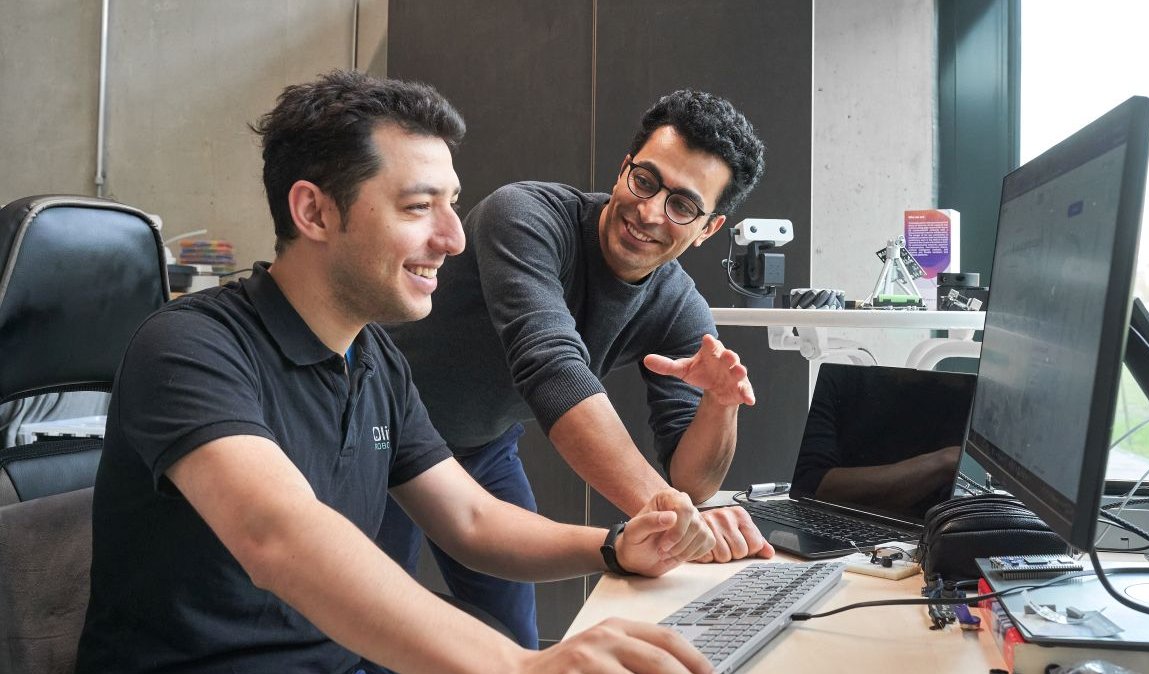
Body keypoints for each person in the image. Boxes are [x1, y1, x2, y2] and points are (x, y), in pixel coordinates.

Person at [75, 70, 718, 674]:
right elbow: (280, 537)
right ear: (315, 213)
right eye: (418, 207)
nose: (454, 238)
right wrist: (517, 665)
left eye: (452, 204)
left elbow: (470, 521)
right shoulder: (190, 347)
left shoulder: (377, 361)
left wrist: (612, 545)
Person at [386, 89, 775, 647]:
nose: (648, 212)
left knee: (515, 637)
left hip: (480, 446)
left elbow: (690, 480)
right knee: (368, 631)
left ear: (708, 228)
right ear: (624, 169)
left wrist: (720, 408)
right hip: (378, 431)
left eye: (682, 206)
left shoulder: (679, 306)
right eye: (645, 181)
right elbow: (550, 368)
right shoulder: (524, 215)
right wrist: (679, 519)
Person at [793, 363, 975, 517]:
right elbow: (810, 486)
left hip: (911, 536)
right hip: (828, 518)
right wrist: (944, 461)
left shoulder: (957, 398)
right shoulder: (845, 380)